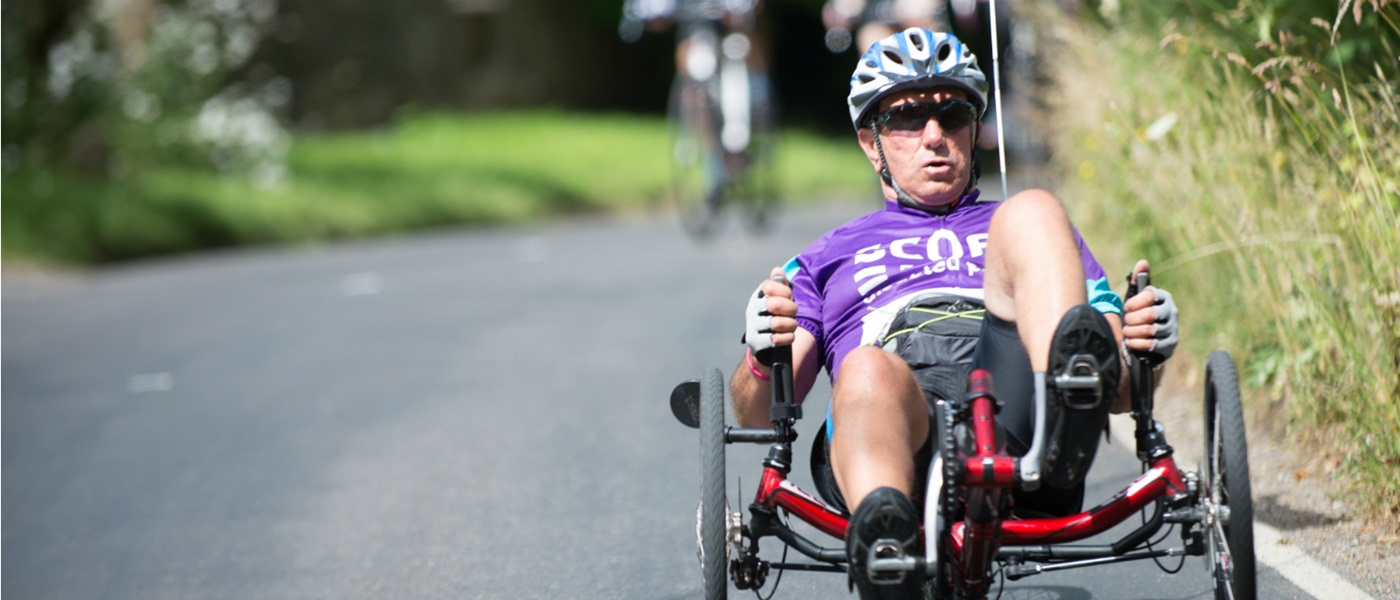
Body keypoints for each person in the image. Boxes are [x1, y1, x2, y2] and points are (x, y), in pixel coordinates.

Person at [730, 28, 1179, 599]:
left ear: (976, 129)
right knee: (867, 366)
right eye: (908, 118)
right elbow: (756, 412)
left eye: (953, 113)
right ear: (872, 143)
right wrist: (759, 347)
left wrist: (1144, 345)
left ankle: (1060, 440)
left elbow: (1118, 389)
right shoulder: (824, 257)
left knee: (1034, 207)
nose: (934, 135)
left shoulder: (1028, 230)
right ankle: (885, 540)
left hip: (1016, 404)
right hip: (894, 414)